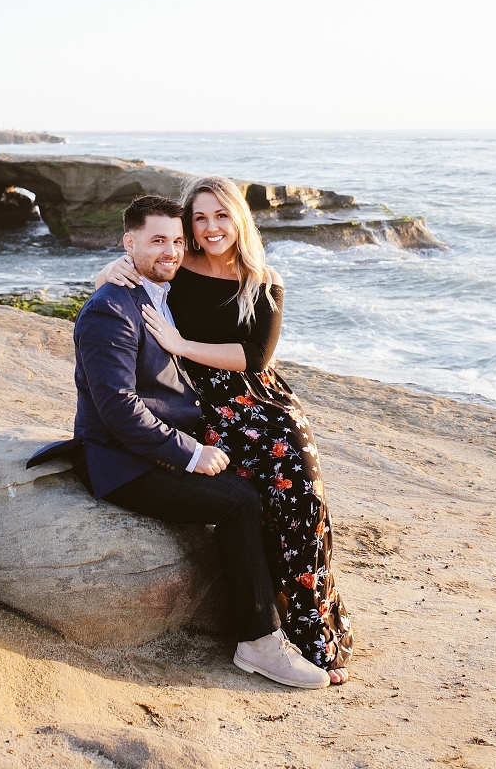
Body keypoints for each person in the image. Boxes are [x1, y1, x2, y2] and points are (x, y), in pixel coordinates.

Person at [31, 194, 330, 690]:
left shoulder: (163, 292)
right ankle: (257, 643)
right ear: (129, 243)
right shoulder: (112, 309)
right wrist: (191, 454)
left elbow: (247, 349)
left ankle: (280, 623)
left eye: (175, 240)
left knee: (260, 492)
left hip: (165, 442)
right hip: (123, 462)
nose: (169, 251)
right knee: (240, 502)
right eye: (156, 241)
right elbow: (118, 409)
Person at [96, 176, 353, 682]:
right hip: (203, 405)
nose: (212, 228)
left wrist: (181, 344)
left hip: (261, 401)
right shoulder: (178, 268)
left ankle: (313, 634)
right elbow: (130, 285)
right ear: (189, 225)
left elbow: (256, 356)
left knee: (303, 498)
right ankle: (265, 628)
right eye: (200, 218)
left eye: (221, 216)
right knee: (254, 499)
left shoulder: (263, 278)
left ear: (239, 218)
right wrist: (110, 268)